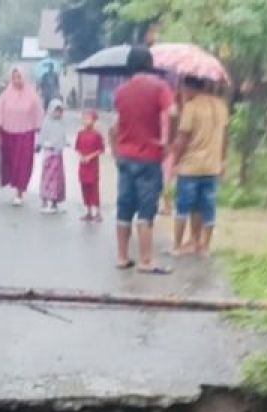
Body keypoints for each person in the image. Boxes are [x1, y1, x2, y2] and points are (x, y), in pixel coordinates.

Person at [109, 45, 175, 273]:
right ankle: (146, 260)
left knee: (124, 208)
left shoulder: (121, 91)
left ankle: (122, 256)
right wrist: (168, 142)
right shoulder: (159, 87)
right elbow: (173, 113)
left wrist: (115, 151)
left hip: (126, 157)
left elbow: (115, 126)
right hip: (149, 157)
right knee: (146, 210)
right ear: (150, 64)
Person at [170, 76, 229, 256]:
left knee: (183, 206)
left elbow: (182, 138)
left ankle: (178, 245)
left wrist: (175, 161)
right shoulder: (221, 106)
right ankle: (202, 245)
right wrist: (223, 160)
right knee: (206, 207)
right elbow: (226, 136)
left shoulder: (191, 107)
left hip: (191, 166)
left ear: (189, 88)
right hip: (212, 166)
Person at [0, 68, 44, 206]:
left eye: (20, 77)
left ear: (25, 77)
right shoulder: (5, 95)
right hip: (8, 133)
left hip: (26, 134)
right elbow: (0, 112)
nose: (17, 80)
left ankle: (19, 191)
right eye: (15, 77)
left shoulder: (32, 96)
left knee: (22, 163)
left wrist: (39, 136)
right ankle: (13, 184)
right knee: (10, 162)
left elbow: (38, 115)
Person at [38, 99, 68, 214]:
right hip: (48, 156)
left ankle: (54, 202)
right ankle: (45, 201)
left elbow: (63, 137)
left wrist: (65, 143)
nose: (58, 114)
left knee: (57, 179)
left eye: (60, 111)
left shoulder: (61, 123)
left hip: (58, 156)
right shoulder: (46, 123)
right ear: (51, 110)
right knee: (47, 178)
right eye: (56, 111)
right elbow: (42, 137)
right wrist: (40, 145)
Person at [75, 109, 105, 221]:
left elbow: (101, 150)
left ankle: (97, 212)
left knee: (94, 188)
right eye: (84, 118)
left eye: (88, 118)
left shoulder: (97, 135)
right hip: (82, 165)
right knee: (84, 187)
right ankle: (88, 211)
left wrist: (89, 157)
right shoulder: (80, 133)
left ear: (93, 120)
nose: (85, 121)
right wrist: (81, 156)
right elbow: (77, 147)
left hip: (92, 166)